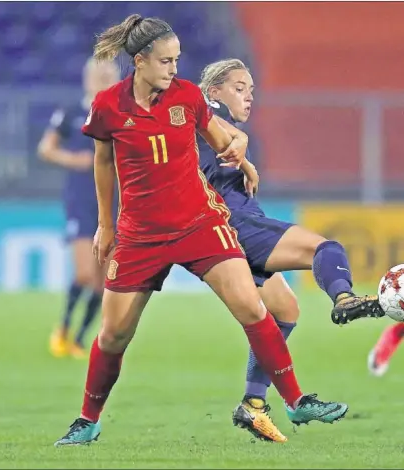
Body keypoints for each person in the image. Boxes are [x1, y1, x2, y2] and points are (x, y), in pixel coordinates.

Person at [54, 14, 348, 447]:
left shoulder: (187, 96)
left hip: (200, 223)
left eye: (176, 60)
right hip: (140, 234)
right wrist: (105, 224)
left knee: (252, 307)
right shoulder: (108, 106)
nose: (174, 69)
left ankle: (296, 400)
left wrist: (242, 158)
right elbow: (103, 162)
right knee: (114, 333)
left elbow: (220, 137)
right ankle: (87, 420)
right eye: (165, 61)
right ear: (140, 61)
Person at [197, 58, 383, 440]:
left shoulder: (213, 128)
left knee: (284, 309)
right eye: (239, 87)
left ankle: (253, 404)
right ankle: (344, 297)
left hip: (226, 226)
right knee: (325, 248)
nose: (249, 97)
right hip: (237, 223)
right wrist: (242, 147)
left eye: (251, 90)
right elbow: (219, 130)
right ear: (214, 91)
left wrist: (243, 154)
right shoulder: (206, 110)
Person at [38, 58, 120, 359]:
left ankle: (79, 340)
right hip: (81, 201)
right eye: (98, 75)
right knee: (85, 273)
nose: (102, 79)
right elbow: (45, 149)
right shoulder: (72, 112)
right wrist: (73, 160)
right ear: (87, 78)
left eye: (108, 75)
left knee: (103, 281)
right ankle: (63, 326)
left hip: (113, 203)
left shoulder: (122, 115)